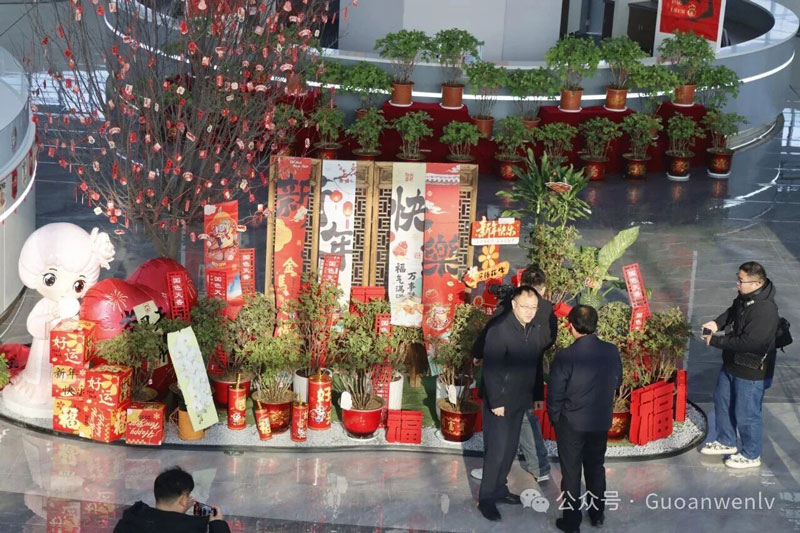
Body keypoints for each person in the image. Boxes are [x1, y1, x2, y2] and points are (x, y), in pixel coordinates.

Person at [477, 285, 557, 522]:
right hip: (500, 402)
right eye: (525, 307)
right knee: (497, 450)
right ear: (513, 305)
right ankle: (486, 499)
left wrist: (537, 396)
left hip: (520, 400)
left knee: (510, 448)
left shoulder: (533, 329)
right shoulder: (499, 329)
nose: (530, 311)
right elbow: (491, 369)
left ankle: (500, 489)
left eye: (534, 307)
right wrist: (497, 401)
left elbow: (535, 366)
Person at [472, 265, 552, 484]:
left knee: (501, 434)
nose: (529, 311)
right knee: (524, 423)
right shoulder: (547, 310)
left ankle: (494, 474)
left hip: (508, 383)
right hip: (529, 376)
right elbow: (548, 340)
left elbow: (490, 333)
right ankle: (537, 467)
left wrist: (478, 353)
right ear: (543, 288)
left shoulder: (512, 307)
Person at [548, 305, 622, 533]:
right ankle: (597, 514)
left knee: (571, 472)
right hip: (599, 421)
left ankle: (572, 522)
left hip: (571, 422)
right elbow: (617, 381)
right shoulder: (611, 351)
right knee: (596, 467)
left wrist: (555, 419)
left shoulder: (566, 355)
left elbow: (555, 393)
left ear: (570, 326)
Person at [700, 261, 779, 469]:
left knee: (747, 413)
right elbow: (732, 311)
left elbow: (749, 343)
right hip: (732, 363)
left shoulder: (765, 310)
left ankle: (751, 454)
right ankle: (726, 440)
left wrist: (716, 341)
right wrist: (717, 323)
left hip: (751, 370)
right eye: (738, 278)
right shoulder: (745, 297)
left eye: (741, 280)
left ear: (757, 283)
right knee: (722, 400)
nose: (737, 283)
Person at [114, 466, 231, 532]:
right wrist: (218, 524)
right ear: (182, 499)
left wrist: (180, 515)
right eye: (188, 496)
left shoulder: (131, 519)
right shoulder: (194, 528)